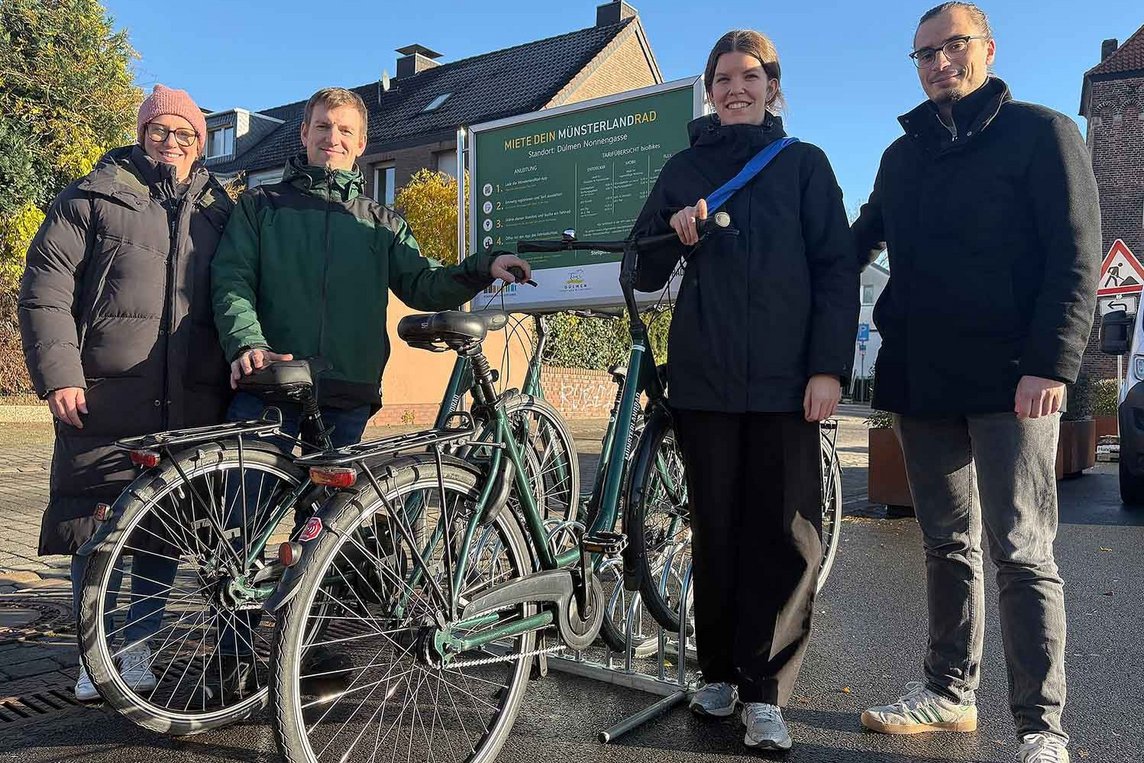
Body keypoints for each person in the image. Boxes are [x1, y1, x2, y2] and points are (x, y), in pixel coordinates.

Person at [208, 86, 530, 697]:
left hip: (346, 396)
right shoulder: (262, 205)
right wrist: (245, 342)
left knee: (325, 534)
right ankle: (231, 658)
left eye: (346, 132)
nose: (334, 138)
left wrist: (481, 265)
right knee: (242, 527)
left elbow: (424, 284)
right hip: (274, 385)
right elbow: (231, 280)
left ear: (361, 146)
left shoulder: (382, 223)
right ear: (303, 135)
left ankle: (308, 653)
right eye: (323, 127)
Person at [851, 4, 1100, 762]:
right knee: (945, 546)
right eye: (923, 54)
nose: (937, 64)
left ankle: (1040, 727)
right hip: (925, 381)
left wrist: (1052, 364)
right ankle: (949, 692)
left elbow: (1075, 253)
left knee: (1022, 549)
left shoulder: (1042, 133)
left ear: (985, 48)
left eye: (951, 47)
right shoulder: (900, 159)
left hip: (1013, 381)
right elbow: (848, 244)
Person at [630, 30, 858, 752]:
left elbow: (836, 272)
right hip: (704, 381)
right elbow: (640, 268)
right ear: (708, 89)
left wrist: (828, 368)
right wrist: (674, 233)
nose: (736, 87)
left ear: (772, 87)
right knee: (717, 531)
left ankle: (767, 693)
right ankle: (720, 671)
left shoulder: (806, 167)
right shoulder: (682, 167)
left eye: (749, 76)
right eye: (723, 77)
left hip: (791, 385)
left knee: (788, 536)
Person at [19, 85, 234, 701]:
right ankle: (96, 654)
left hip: (192, 399)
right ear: (141, 134)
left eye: (186, 134)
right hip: (105, 396)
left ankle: (133, 650)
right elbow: (45, 289)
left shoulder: (218, 210)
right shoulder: (91, 198)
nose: (173, 143)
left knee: (165, 530)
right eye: (161, 130)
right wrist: (60, 374)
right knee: (96, 527)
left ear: (201, 144)